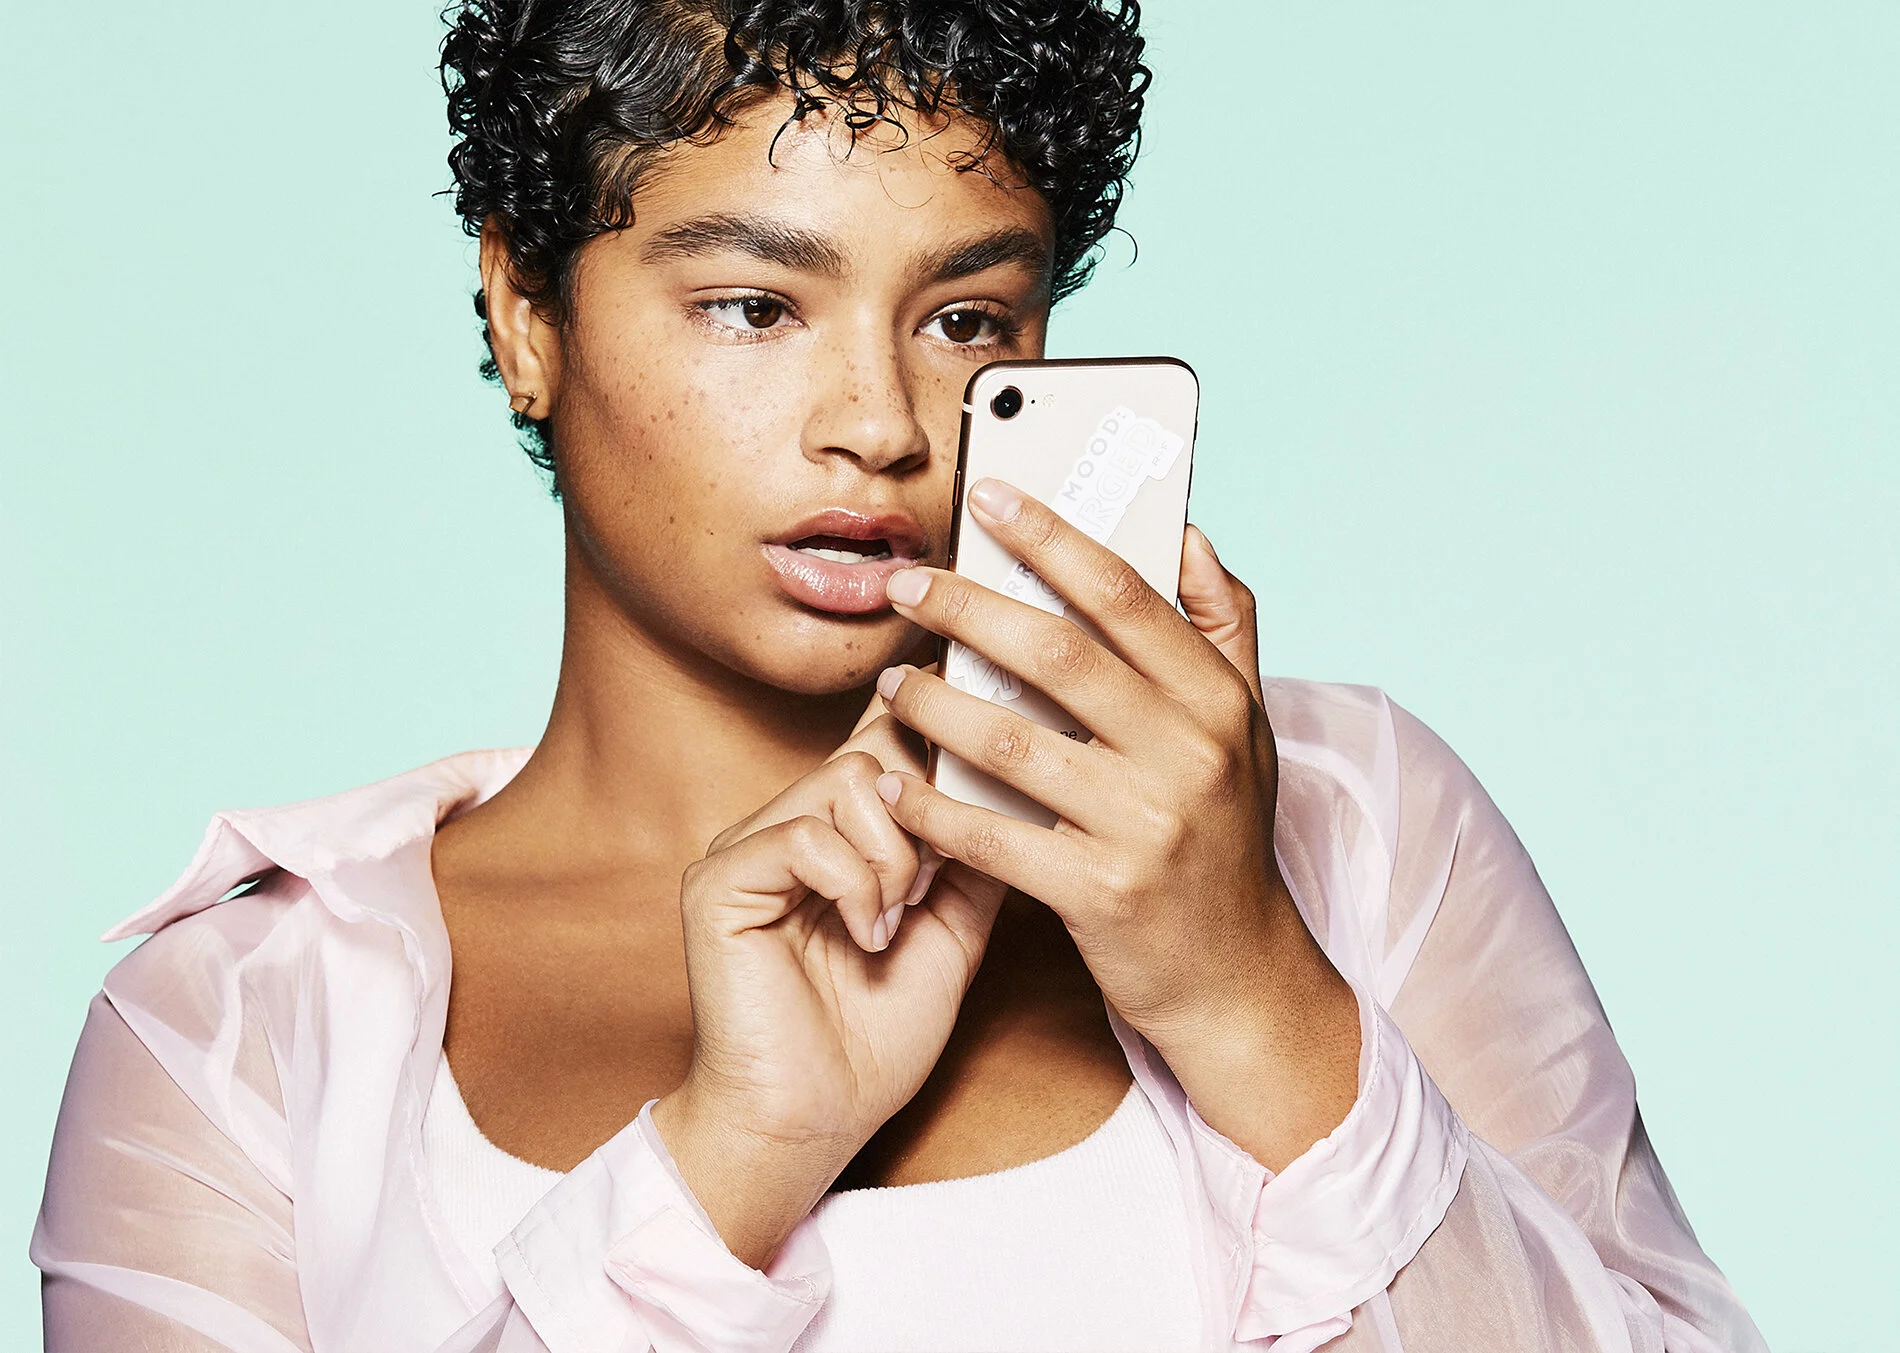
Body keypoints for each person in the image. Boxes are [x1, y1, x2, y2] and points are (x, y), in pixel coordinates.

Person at [32, 2, 1768, 1350]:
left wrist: (1248, 997)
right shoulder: (245, 1022)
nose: (878, 424)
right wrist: (726, 1162)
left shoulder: (1351, 826)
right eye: (753, 306)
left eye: (964, 320)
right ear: (525, 312)